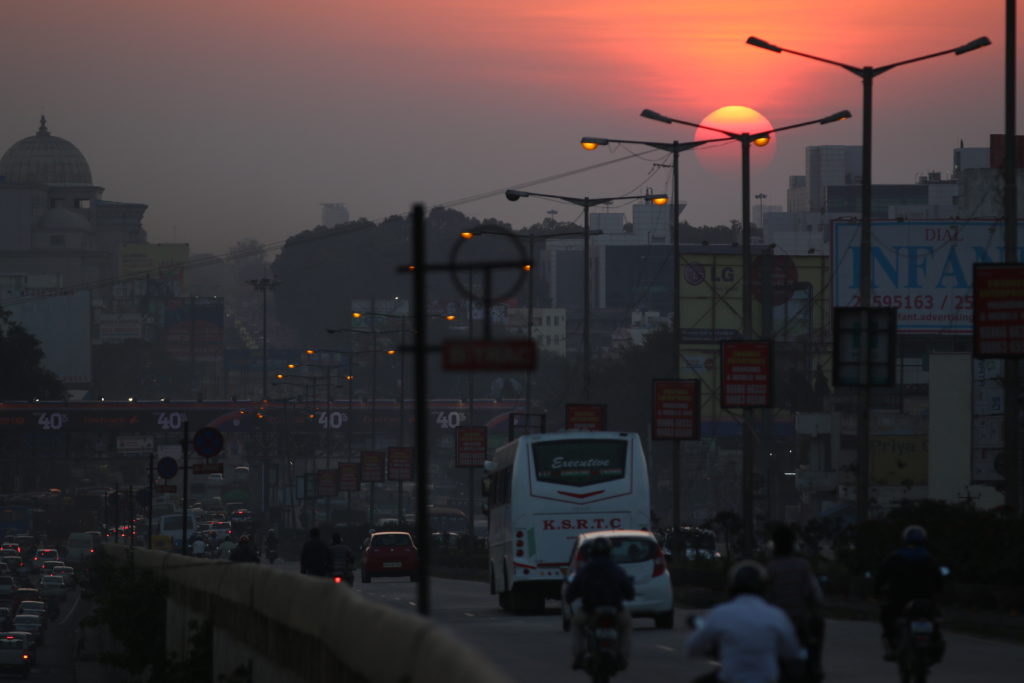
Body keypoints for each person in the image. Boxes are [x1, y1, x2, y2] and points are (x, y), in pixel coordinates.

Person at [686, 560, 804, 683]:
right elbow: (792, 651)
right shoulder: (776, 615)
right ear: (763, 588)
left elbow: (692, 648)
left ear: (732, 588)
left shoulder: (721, 613)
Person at [564, 537, 635, 671]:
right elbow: (629, 592)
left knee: (576, 624)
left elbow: (571, 592)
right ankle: (621, 655)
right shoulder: (616, 569)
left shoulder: (585, 570)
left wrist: (571, 597)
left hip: (589, 611)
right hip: (615, 610)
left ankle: (579, 654)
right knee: (626, 625)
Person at [875, 524, 943, 661]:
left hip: (898, 599)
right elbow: (940, 582)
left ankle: (891, 646)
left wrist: (876, 593)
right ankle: (935, 644)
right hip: (925, 599)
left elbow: (880, 577)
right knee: (935, 618)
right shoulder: (929, 558)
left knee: (887, 617)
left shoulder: (895, 557)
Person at [766, 526, 824, 681]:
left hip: (775, 622)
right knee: (818, 626)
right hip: (800, 620)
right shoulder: (803, 565)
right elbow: (814, 595)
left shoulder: (771, 568)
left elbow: (766, 597)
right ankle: (815, 665)